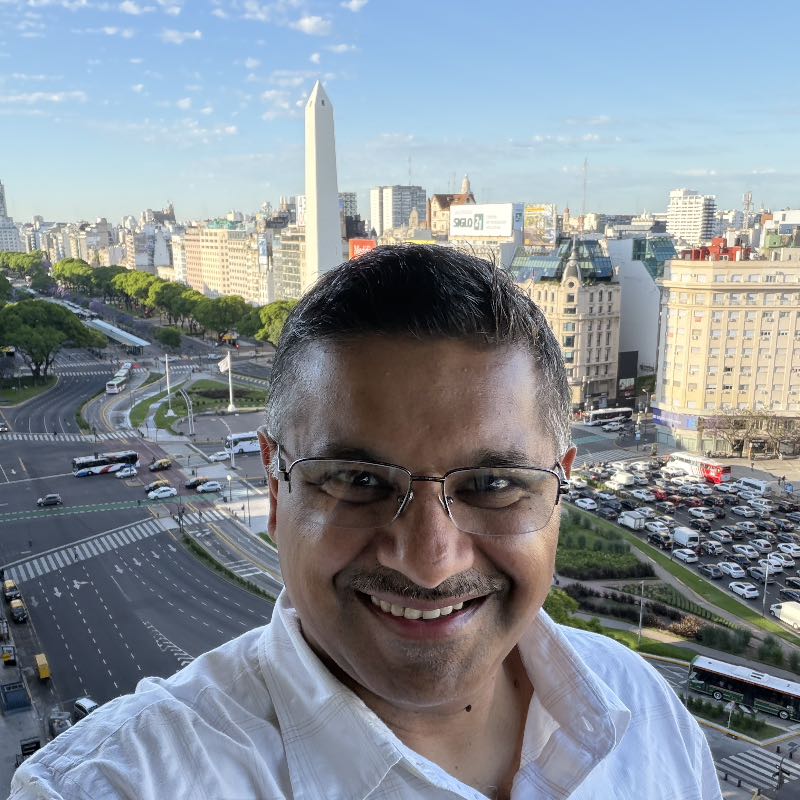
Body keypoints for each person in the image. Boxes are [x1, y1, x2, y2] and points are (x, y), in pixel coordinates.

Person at [10, 246, 721, 799]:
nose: (430, 560)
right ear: (276, 488)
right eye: (358, 481)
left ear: (559, 487)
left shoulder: (646, 716)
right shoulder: (110, 786)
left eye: (494, 484)